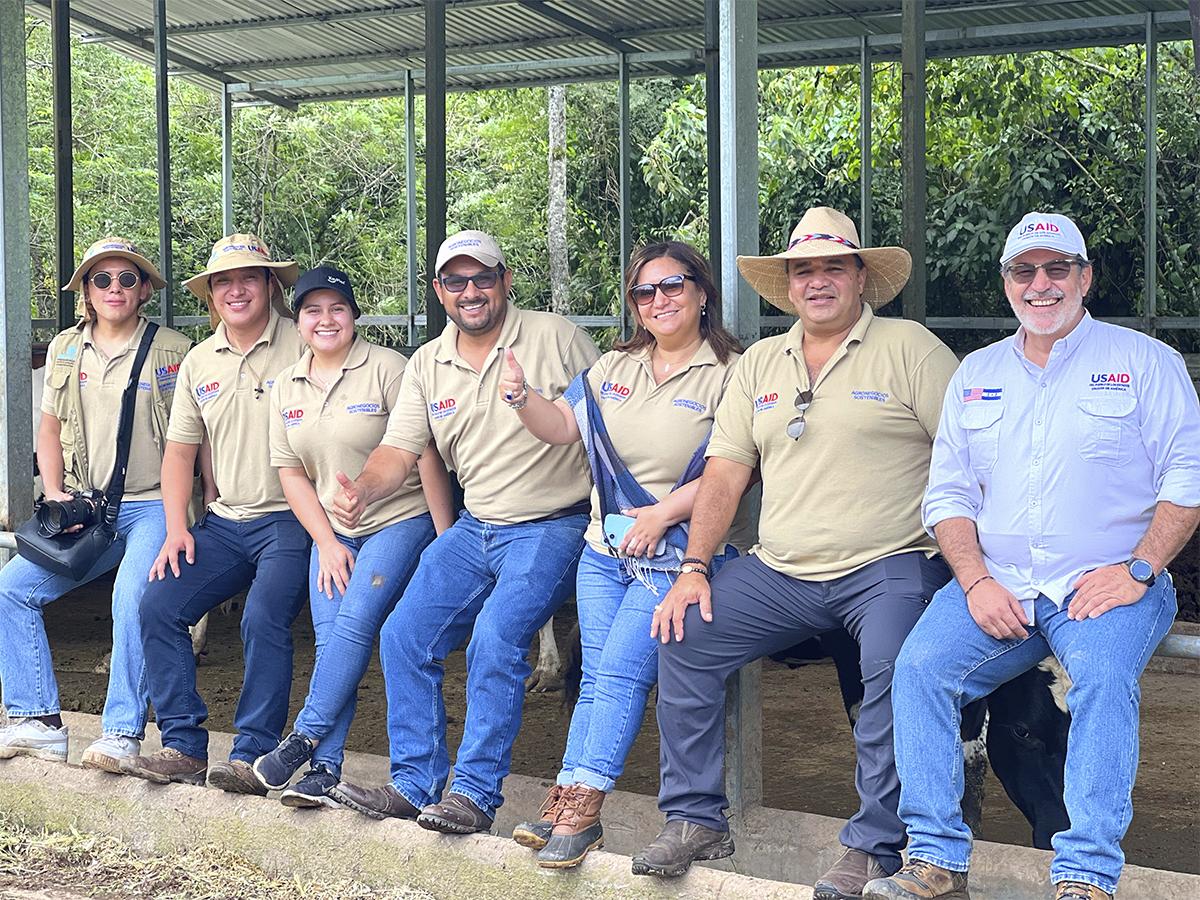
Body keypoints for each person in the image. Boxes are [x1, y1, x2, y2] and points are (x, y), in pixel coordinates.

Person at [864, 213, 1200, 900]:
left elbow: (1186, 482)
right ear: (1007, 282)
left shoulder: (1146, 364)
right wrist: (975, 578)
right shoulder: (978, 374)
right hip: (1002, 583)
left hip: (1113, 582)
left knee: (1104, 679)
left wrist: (1137, 570)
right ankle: (935, 860)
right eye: (1025, 270)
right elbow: (948, 494)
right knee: (921, 669)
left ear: (1085, 277)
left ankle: (1085, 872)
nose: (1040, 284)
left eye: (1057, 269)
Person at [633, 207, 960, 899]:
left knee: (891, 668)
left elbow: (968, 458)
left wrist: (974, 566)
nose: (817, 281)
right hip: (781, 567)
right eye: (803, 270)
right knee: (685, 633)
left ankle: (875, 845)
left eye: (832, 267)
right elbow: (724, 471)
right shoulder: (759, 362)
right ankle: (696, 818)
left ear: (860, 277)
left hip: (890, 562)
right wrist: (693, 569)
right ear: (787, 285)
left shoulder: (912, 349)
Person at [327, 229, 598, 835]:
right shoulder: (428, 362)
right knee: (403, 634)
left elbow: (609, 425)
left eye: (482, 278)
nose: (470, 291)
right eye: (456, 281)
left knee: (496, 640)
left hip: (553, 522)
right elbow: (399, 448)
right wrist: (365, 488)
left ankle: (474, 795)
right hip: (476, 526)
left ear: (505, 281)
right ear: (439, 291)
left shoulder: (559, 338)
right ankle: (414, 783)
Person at [504, 241, 753, 868]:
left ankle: (584, 809)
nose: (659, 300)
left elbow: (738, 469)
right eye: (645, 292)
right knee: (595, 681)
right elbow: (564, 428)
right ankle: (566, 799)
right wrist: (519, 397)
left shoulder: (735, 372)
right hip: (604, 548)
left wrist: (664, 514)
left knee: (617, 672)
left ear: (702, 293)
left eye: (673, 286)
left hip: (678, 555)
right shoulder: (615, 365)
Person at [247, 265, 455, 808]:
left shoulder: (389, 368)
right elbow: (289, 470)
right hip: (335, 532)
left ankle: (302, 736)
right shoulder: (284, 386)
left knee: (358, 620)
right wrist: (326, 541)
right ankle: (322, 769)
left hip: (398, 519)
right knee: (332, 637)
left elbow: (424, 451)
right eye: (312, 310)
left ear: (354, 315)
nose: (326, 319)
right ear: (298, 321)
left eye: (337, 308)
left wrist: (444, 537)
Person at [118, 234, 310, 794]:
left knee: (263, 618)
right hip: (225, 521)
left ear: (271, 285)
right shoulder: (199, 360)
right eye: (223, 282)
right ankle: (182, 744)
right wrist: (178, 528)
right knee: (158, 603)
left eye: (249, 277)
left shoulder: (305, 342)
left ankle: (251, 753)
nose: (236, 290)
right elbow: (179, 451)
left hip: (290, 517)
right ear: (209, 295)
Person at [0, 237, 192, 771]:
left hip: (154, 504)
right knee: (10, 591)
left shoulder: (173, 350)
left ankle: (122, 732)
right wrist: (57, 491)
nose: (114, 288)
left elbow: (196, 435)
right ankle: (35, 719)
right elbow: (50, 424)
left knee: (132, 598)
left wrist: (205, 504)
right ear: (85, 290)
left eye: (127, 279)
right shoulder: (66, 347)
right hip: (90, 507)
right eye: (101, 279)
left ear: (145, 288)